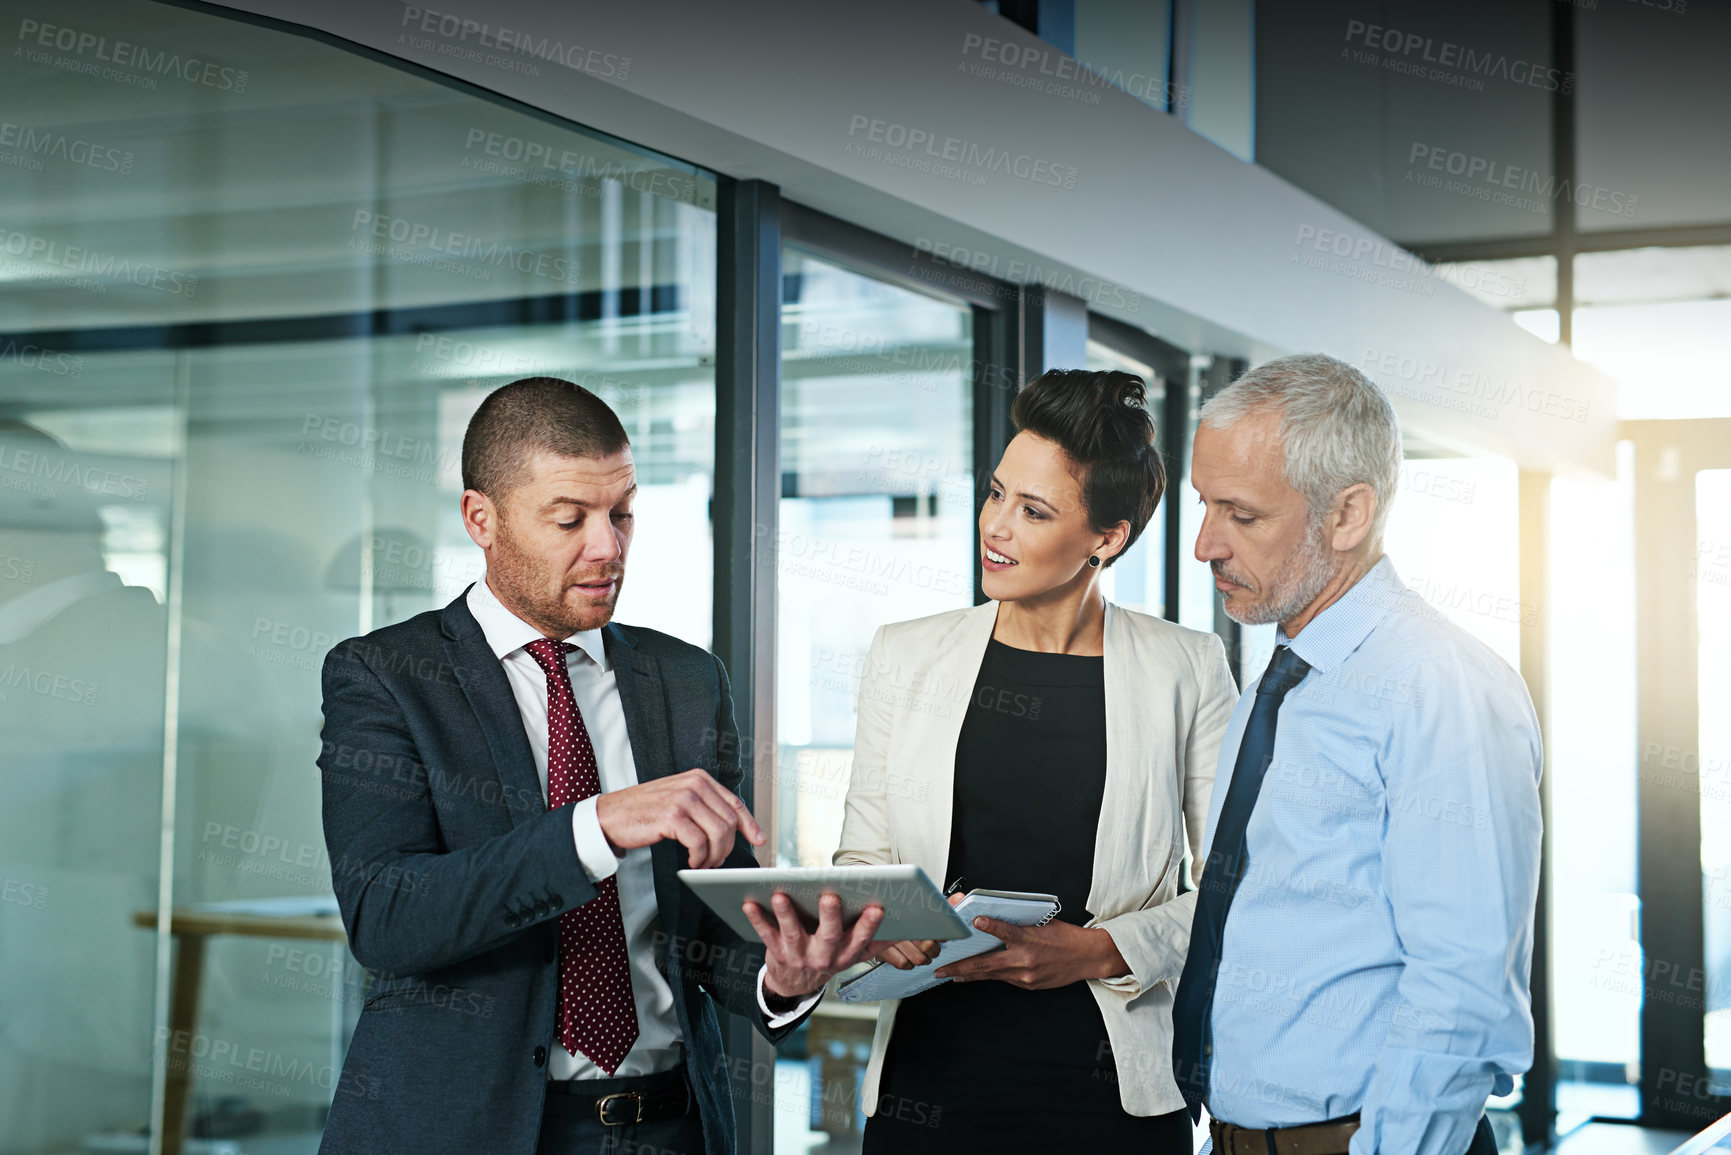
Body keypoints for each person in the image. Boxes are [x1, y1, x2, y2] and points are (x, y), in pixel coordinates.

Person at [317, 378, 880, 1155]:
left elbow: (715, 922)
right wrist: (597, 825)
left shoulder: (685, 680)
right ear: (481, 518)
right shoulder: (386, 674)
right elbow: (386, 916)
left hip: (669, 1123)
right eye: (569, 519)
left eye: (622, 513)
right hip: (466, 1129)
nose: (608, 546)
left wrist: (780, 976)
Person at [833, 368, 1240, 1153]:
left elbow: (1235, 887)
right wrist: (883, 925)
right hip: (930, 1081)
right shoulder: (905, 654)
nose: (996, 526)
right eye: (994, 494)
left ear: (1106, 537)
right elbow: (862, 858)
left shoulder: (1184, 667)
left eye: (1033, 510)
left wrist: (1099, 948)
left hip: (1106, 1093)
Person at [1170, 354, 1543, 1155]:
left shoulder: (1437, 686)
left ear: (1347, 514)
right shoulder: (1284, 679)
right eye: (1204, 504)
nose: (1204, 544)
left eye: (1241, 514)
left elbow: (1460, 987)